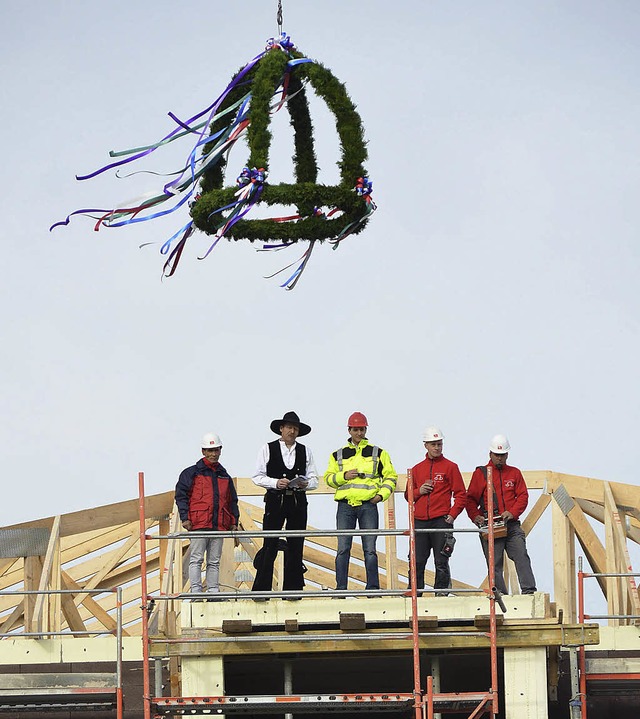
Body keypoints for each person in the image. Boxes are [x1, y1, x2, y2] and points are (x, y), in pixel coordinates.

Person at [324, 412, 398, 593]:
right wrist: (344, 476)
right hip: (345, 506)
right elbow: (328, 479)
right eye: (355, 429)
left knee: (370, 549)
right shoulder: (337, 455)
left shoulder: (378, 453)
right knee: (343, 548)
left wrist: (381, 496)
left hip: (368, 505)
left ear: (366, 429)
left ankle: (372, 589)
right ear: (349, 430)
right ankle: (341, 589)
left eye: (361, 429)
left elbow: (391, 477)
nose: (358, 433)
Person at [251, 411, 318, 597]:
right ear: (281, 429)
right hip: (275, 500)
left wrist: (306, 484)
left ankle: (293, 590)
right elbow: (257, 476)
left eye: (295, 428)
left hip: (297, 501)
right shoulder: (267, 448)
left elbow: (315, 479)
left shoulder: (306, 451)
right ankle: (261, 590)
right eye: (289, 427)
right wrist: (275, 483)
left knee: (296, 543)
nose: (292, 431)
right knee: (270, 543)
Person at [466, 434, 537, 595]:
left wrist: (512, 513)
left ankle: (529, 591)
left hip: (511, 525)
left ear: (507, 455)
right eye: (497, 455)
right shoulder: (481, 474)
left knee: (521, 555)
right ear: (490, 454)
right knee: (494, 563)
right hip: (491, 526)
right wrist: (476, 516)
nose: (499, 458)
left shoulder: (514, 473)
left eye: (502, 455)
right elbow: (470, 500)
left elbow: (523, 496)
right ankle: (501, 596)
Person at [175, 432, 239, 600]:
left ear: (220, 450)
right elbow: (181, 496)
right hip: (198, 523)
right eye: (210, 450)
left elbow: (232, 500)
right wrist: (185, 518)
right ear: (203, 451)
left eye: (216, 450)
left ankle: (213, 592)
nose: (213, 454)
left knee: (214, 561)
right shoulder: (191, 473)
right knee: (196, 559)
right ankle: (196, 592)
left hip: (218, 524)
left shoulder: (224, 476)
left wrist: (234, 521)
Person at [405, 426, 466, 595]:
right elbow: (408, 496)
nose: (437, 447)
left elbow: (461, 494)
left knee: (441, 560)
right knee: (417, 560)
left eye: (439, 444)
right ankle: (415, 594)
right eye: (433, 444)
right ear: (425, 445)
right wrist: (419, 491)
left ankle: (441, 594)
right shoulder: (416, 469)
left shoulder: (450, 467)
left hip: (441, 520)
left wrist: (452, 515)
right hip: (420, 521)